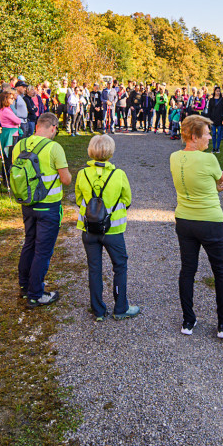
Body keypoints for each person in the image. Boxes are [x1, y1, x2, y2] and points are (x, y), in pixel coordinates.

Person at [170, 115, 223, 338]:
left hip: (185, 220)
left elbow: (205, 183)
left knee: (188, 269)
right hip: (210, 221)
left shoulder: (174, 157)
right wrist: (222, 183)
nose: (209, 136)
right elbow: (220, 180)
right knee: (221, 271)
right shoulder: (209, 160)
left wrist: (218, 183)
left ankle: (188, 320)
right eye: (206, 133)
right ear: (195, 136)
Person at [75, 134, 139, 321]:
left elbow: (79, 199)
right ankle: (120, 307)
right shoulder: (119, 175)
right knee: (119, 266)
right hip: (113, 230)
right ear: (110, 152)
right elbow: (127, 200)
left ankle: (98, 310)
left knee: (94, 268)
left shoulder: (82, 174)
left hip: (89, 229)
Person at [14, 113, 72, 308]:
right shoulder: (54, 147)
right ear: (53, 127)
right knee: (43, 251)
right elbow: (66, 180)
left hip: (28, 204)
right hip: (49, 206)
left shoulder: (19, 145)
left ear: (37, 126)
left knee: (29, 244)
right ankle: (36, 294)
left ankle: (24, 286)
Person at [206, 87, 223, 153]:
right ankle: (214, 147)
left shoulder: (222, 100)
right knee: (214, 133)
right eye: (217, 91)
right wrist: (209, 119)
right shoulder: (211, 100)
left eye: (219, 91)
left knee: (219, 133)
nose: (218, 92)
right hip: (213, 119)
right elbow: (209, 110)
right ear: (214, 91)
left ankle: (218, 148)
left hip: (220, 119)